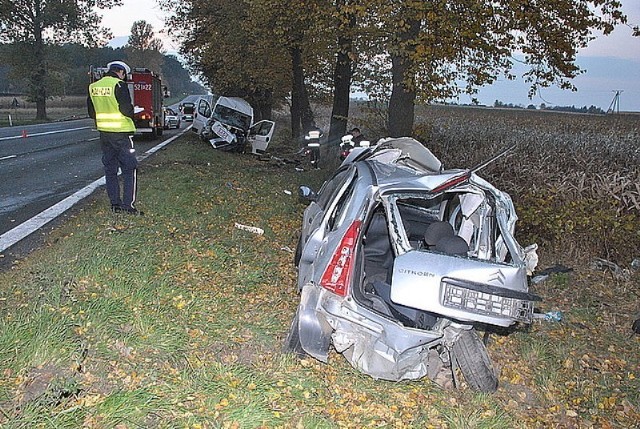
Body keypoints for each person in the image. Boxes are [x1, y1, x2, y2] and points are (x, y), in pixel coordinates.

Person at [87, 61, 143, 215]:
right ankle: (128, 206)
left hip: (104, 134)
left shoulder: (94, 87)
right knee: (129, 169)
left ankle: (115, 205)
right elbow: (126, 109)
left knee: (110, 170)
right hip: (121, 134)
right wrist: (134, 112)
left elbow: (92, 113)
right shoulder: (119, 85)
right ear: (122, 73)